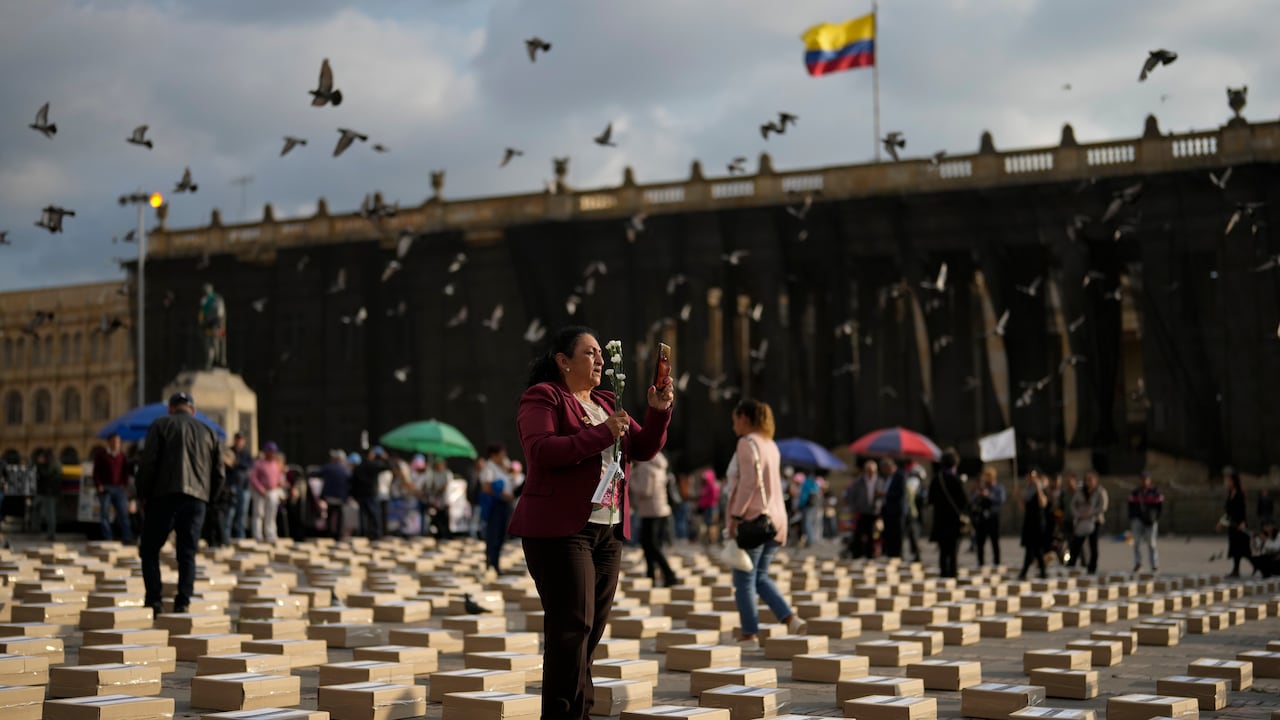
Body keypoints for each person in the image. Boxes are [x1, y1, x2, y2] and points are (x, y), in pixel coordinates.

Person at [509, 326, 673, 720]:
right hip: (561, 531)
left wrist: (657, 410)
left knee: (589, 633)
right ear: (563, 361)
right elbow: (543, 451)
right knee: (571, 630)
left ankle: (580, 712)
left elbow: (645, 448)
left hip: (608, 531)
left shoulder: (605, 401)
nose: (600, 359)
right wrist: (602, 434)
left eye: (601, 353)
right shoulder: (544, 397)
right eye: (589, 353)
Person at [725, 398, 805, 650]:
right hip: (775, 520)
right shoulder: (771, 445)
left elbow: (748, 483)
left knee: (744, 580)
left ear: (745, 418)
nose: (733, 425)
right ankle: (790, 618)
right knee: (759, 577)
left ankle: (749, 633)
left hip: (753, 520)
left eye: (735, 419)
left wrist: (736, 516)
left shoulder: (746, 443)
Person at [136, 392, 223, 615]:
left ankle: (154, 601)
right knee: (187, 553)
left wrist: (143, 494)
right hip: (196, 500)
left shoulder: (160, 425)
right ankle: (183, 601)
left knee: (149, 549)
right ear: (192, 410)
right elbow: (219, 474)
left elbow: (148, 464)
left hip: (163, 496)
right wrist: (208, 500)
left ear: (171, 408)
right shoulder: (209, 432)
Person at [631, 451, 679, 587]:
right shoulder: (658, 465)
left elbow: (645, 490)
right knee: (651, 545)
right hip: (660, 510)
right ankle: (651, 574)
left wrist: (631, 480)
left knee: (651, 546)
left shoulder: (645, 467)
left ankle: (669, 574)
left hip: (651, 512)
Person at [928, 450, 966, 578]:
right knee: (953, 551)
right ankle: (952, 575)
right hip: (954, 521)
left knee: (943, 551)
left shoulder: (936, 480)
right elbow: (963, 501)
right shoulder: (956, 479)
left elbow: (930, 500)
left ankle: (944, 575)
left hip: (940, 520)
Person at [479, 444, 514, 577]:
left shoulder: (501, 468)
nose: (504, 457)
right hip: (495, 506)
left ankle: (495, 563)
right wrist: (503, 495)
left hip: (502, 505)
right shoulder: (489, 468)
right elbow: (487, 487)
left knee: (499, 537)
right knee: (493, 536)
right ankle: (491, 565)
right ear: (494, 455)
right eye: (501, 454)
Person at [94, 433, 133, 543]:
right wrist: (99, 485)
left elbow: (126, 472)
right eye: (115, 441)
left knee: (123, 514)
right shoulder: (101, 455)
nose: (117, 444)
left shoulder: (122, 456)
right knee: (104, 514)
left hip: (118, 488)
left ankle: (127, 537)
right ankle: (108, 538)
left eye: (118, 442)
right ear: (109, 442)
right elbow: (96, 472)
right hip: (105, 488)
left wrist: (123, 484)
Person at [1069, 471, 1108, 574]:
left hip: (1095, 521)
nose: (1089, 482)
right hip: (1081, 521)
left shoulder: (1100, 491)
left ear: (1096, 480)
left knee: (1093, 545)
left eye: (1091, 480)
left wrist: (1090, 514)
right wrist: (1078, 514)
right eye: (1087, 480)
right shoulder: (1080, 491)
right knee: (1077, 543)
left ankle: (1092, 568)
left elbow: (1103, 507)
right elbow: (1073, 504)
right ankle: (1071, 565)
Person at [845, 459, 884, 559]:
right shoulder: (859, 481)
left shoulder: (880, 481)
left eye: (872, 471)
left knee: (872, 534)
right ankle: (857, 553)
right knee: (858, 533)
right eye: (868, 470)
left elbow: (883, 496)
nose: (870, 473)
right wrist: (854, 508)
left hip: (874, 511)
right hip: (861, 511)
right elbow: (852, 495)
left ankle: (870, 554)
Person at [248, 441, 284, 542]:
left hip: (272, 491)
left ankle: (270, 534)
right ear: (266, 452)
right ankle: (257, 534)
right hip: (260, 492)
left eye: (274, 452)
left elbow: (278, 477)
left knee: (271, 514)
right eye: (271, 452)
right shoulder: (258, 464)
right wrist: (260, 489)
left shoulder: (276, 464)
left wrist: (280, 484)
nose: (273, 454)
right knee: (259, 514)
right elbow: (253, 478)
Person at [352, 447, 390, 539]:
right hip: (371, 494)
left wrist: (355, 495)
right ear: (370, 455)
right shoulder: (372, 465)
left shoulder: (358, 467)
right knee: (375, 515)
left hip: (361, 495)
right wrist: (385, 457)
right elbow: (388, 466)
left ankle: (364, 534)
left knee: (363, 517)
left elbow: (353, 482)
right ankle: (376, 534)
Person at [1128, 470, 1163, 572]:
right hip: (1138, 520)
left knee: (1152, 543)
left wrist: (1155, 518)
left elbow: (1159, 507)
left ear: (1150, 480)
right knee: (1137, 543)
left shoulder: (1155, 492)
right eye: (1142, 479)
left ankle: (1154, 564)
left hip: (1150, 521)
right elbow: (1130, 505)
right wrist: (1133, 517)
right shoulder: (1136, 492)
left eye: (1146, 479)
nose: (1144, 481)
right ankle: (1138, 563)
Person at [1017, 470, 1050, 580]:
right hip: (1029, 522)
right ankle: (1041, 572)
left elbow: (1043, 503)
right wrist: (1018, 497)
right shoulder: (1027, 492)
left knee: (1035, 549)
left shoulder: (1042, 489)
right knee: (1032, 549)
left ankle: (1026, 572)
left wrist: (1038, 488)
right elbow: (1023, 508)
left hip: (1038, 523)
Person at [970, 466, 1005, 567]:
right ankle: (980, 563)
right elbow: (972, 500)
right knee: (980, 541)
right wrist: (977, 493)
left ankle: (997, 562)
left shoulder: (999, 487)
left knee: (995, 541)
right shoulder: (982, 487)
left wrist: (989, 496)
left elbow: (1001, 500)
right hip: (982, 517)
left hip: (993, 516)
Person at [224, 433, 253, 540]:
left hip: (244, 486)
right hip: (232, 486)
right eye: (238, 440)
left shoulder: (246, 452)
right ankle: (226, 536)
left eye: (241, 440)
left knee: (242, 513)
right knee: (230, 512)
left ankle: (241, 536)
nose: (239, 442)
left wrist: (237, 463)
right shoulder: (229, 451)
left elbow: (250, 465)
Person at [318, 449, 351, 540]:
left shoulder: (328, 467)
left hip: (330, 496)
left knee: (330, 514)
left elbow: (318, 473)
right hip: (340, 497)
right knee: (339, 516)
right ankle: (338, 534)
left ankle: (329, 533)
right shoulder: (345, 470)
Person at [1223, 468, 1250, 578]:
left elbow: (1243, 509)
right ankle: (1235, 569)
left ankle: (1261, 565)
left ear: (1234, 481)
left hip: (1239, 523)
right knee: (1234, 547)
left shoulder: (1239, 493)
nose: (1227, 482)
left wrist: (1243, 522)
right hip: (1232, 524)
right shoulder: (1230, 493)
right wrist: (1222, 521)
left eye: (1229, 480)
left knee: (1241, 548)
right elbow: (1227, 510)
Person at [32, 448, 62, 540]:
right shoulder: (56, 463)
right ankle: (36, 528)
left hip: (48, 492)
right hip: (48, 492)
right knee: (36, 507)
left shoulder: (50, 464)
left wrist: (39, 465)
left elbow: (46, 475)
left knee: (50, 514)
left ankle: (50, 534)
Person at [880, 459, 906, 558]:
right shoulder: (887, 477)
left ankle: (897, 554)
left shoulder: (900, 476)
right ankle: (890, 553)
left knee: (897, 533)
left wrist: (886, 494)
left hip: (897, 510)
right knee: (888, 532)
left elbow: (901, 493)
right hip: (887, 509)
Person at [903, 461, 926, 562]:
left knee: (914, 534)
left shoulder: (913, 481)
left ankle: (916, 555)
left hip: (913, 512)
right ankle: (915, 554)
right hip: (913, 512)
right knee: (913, 534)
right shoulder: (914, 481)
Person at [797, 472, 824, 549]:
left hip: (807, 506)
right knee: (812, 524)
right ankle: (811, 540)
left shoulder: (806, 483)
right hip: (814, 507)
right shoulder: (814, 483)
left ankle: (809, 541)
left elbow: (803, 496)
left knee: (807, 524)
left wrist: (800, 505)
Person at [697, 469, 721, 543]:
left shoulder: (713, 485)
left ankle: (712, 539)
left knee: (711, 524)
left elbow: (714, 497)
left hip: (711, 507)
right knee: (707, 523)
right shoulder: (705, 485)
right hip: (706, 507)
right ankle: (707, 539)